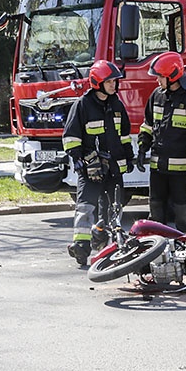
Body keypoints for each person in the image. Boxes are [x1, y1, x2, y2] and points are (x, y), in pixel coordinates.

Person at [63, 60, 135, 266]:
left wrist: (129, 158)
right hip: (91, 170)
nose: (114, 85)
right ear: (97, 83)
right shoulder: (83, 105)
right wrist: (78, 159)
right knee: (85, 207)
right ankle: (80, 247)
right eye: (110, 81)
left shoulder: (117, 105)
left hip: (113, 170)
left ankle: (106, 242)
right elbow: (71, 137)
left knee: (114, 208)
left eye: (115, 81)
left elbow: (124, 136)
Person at [137, 52, 186, 232]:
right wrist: (142, 148)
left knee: (183, 215)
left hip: (181, 171)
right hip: (157, 169)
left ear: (172, 76)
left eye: (160, 77)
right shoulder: (156, 96)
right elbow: (148, 124)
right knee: (156, 213)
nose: (157, 81)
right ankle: (156, 250)